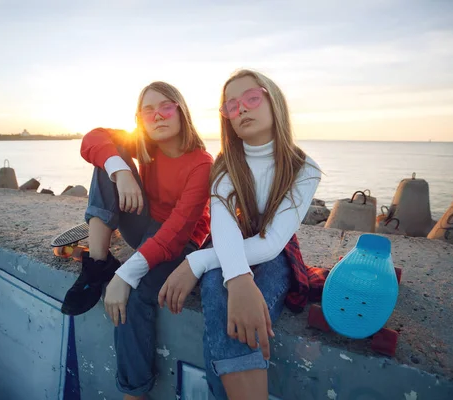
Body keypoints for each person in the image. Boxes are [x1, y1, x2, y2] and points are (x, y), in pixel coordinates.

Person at [159, 69, 322, 400]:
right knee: (216, 293)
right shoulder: (225, 164)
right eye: (231, 106)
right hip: (227, 243)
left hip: (275, 254)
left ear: (273, 100)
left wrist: (197, 260)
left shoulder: (304, 168)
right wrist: (235, 277)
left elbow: (274, 242)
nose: (242, 109)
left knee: (234, 303)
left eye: (251, 98)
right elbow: (223, 228)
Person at [61, 81, 213, 400]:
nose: (157, 115)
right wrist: (122, 171)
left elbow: (176, 232)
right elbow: (93, 139)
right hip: (143, 224)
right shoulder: (145, 145)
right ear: (139, 119)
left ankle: (134, 393)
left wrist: (127, 274)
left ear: (181, 111)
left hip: (180, 241)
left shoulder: (201, 163)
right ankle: (98, 265)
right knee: (108, 161)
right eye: (148, 110)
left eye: (166, 106)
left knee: (132, 296)